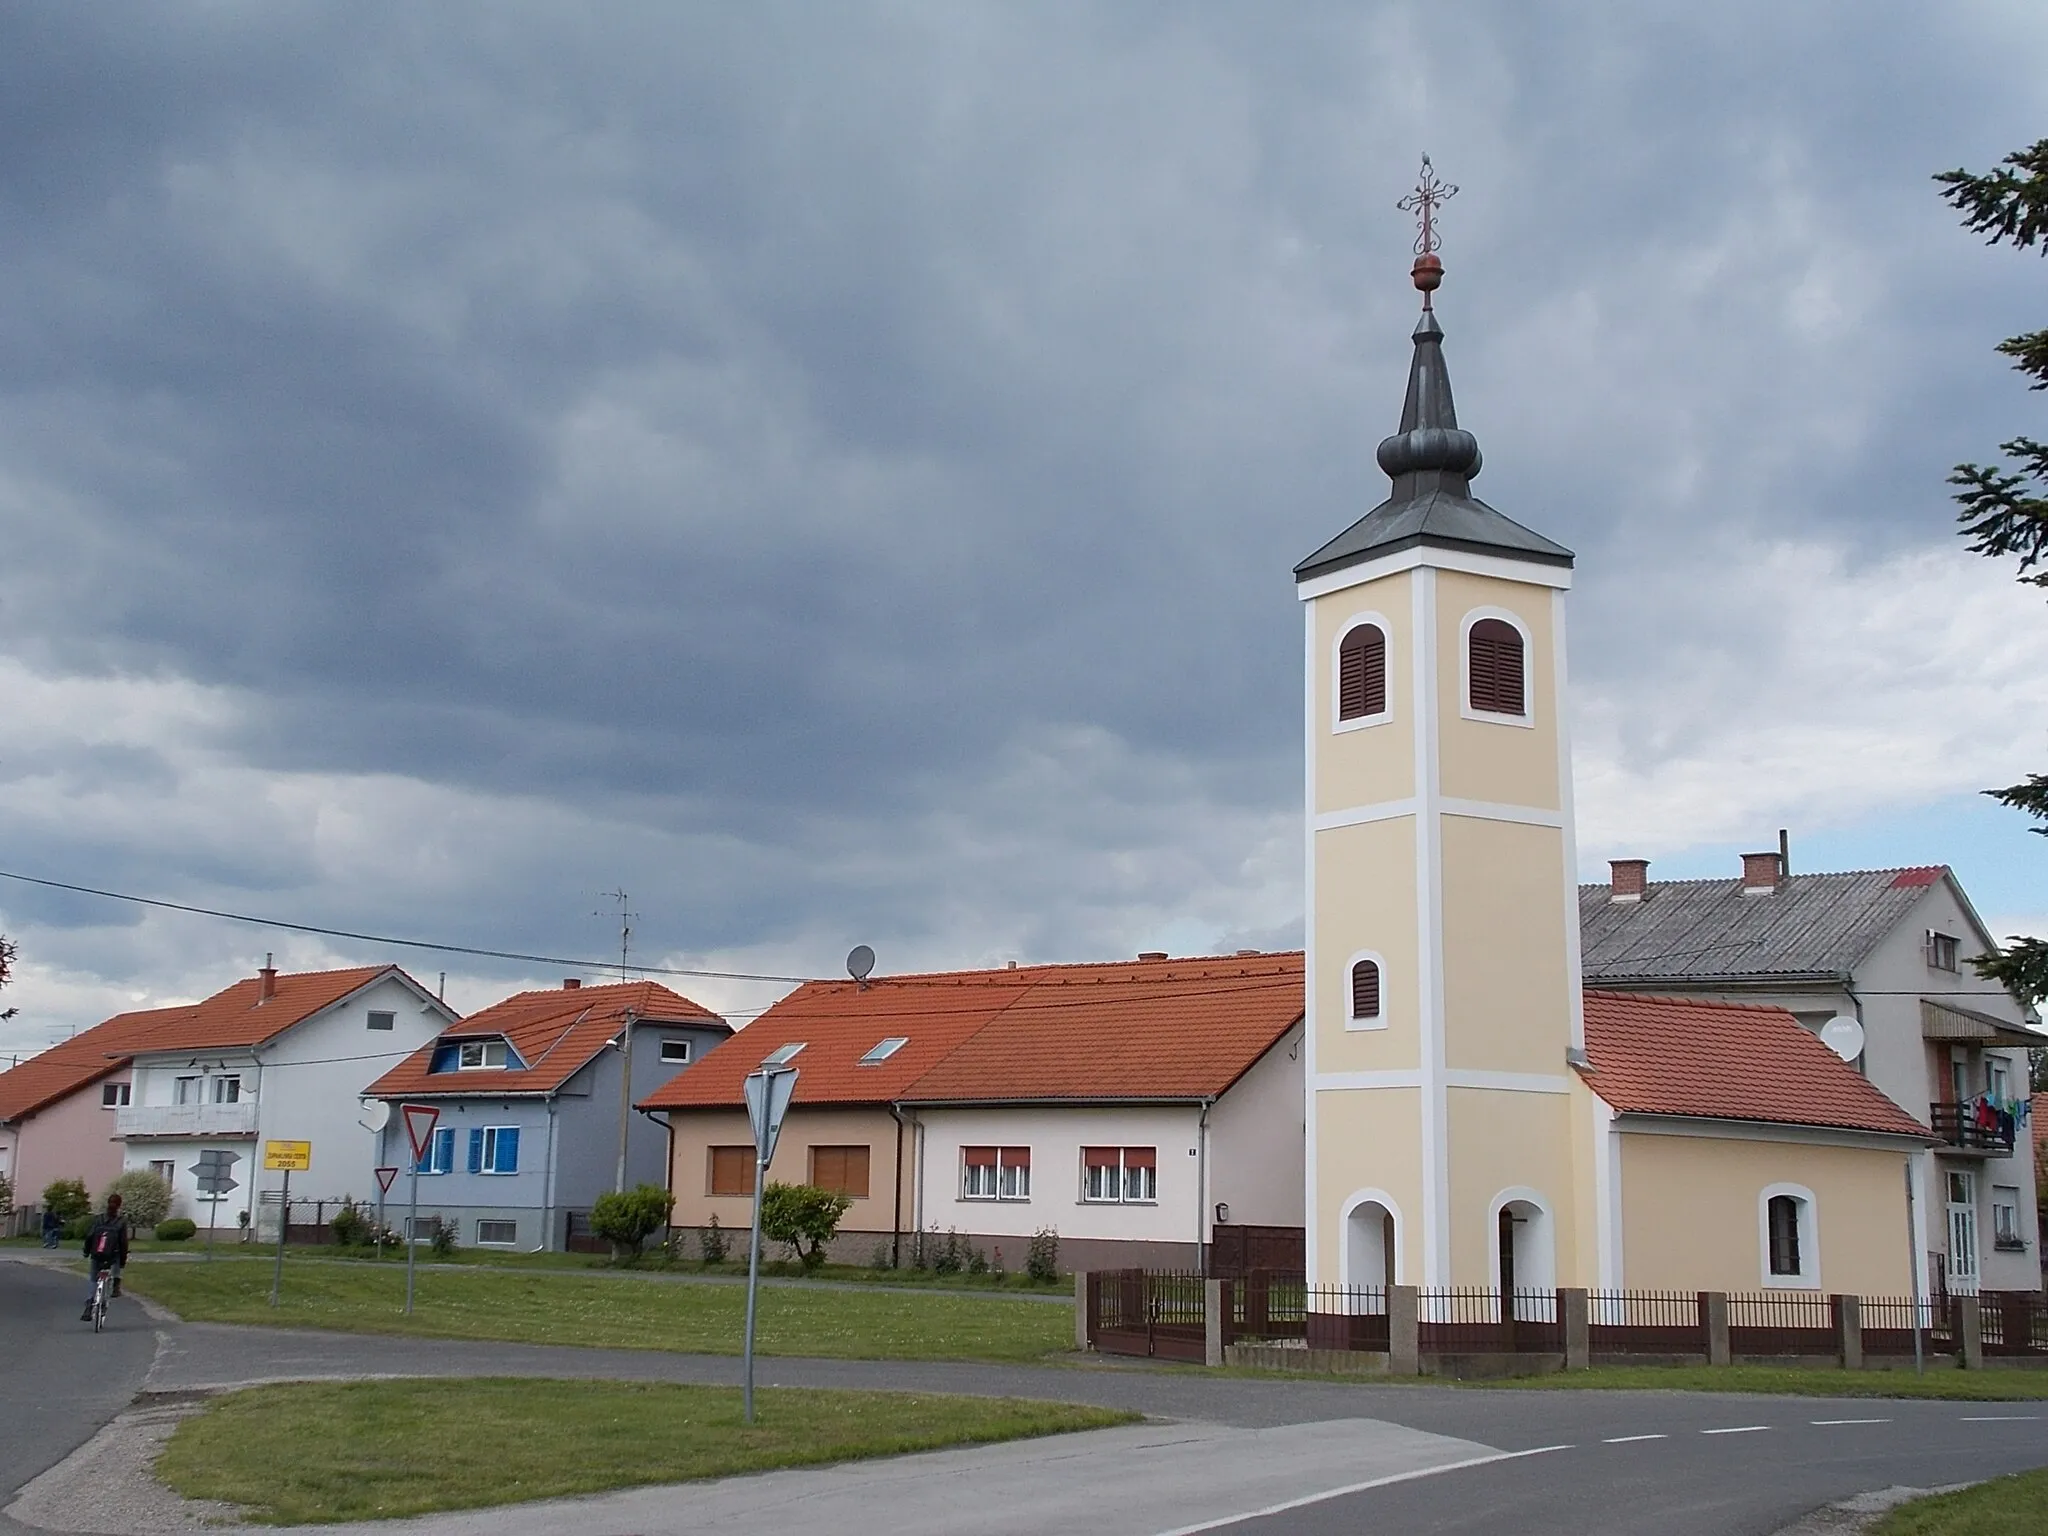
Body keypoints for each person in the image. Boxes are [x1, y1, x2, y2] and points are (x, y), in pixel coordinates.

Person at [80, 1193, 130, 1321]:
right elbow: (123, 1243)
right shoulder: (121, 1222)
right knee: (111, 1272)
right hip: (112, 1255)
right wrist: (123, 1261)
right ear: (119, 1206)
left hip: (96, 1254)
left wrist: (86, 1251)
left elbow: (90, 1236)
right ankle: (114, 1287)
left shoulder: (98, 1219)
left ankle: (89, 1305)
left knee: (93, 1279)